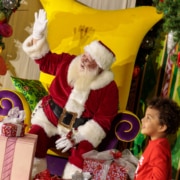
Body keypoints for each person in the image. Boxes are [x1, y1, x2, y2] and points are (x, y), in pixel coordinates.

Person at [22, 9, 119, 179]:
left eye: (90, 61)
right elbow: (44, 61)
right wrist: (37, 35)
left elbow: (102, 121)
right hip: (49, 118)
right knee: (34, 139)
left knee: (82, 156)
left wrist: (77, 137)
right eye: (85, 55)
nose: (83, 60)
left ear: (99, 69)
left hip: (78, 130)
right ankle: (33, 176)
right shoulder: (68, 62)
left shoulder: (109, 88)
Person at [134, 97, 180, 179]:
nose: (142, 119)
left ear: (162, 127)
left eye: (148, 118)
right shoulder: (156, 143)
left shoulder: (159, 149)